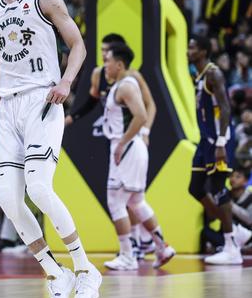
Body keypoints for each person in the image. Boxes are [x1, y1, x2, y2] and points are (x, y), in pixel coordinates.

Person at [0, 0, 101, 298]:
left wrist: (66, 81)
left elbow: (78, 45)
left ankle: (85, 269)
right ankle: (55, 273)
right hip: (7, 106)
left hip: (42, 100)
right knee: (8, 198)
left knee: (39, 189)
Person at [65, 33, 158, 258]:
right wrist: (71, 118)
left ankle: (135, 244)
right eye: (102, 51)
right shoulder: (99, 73)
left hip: (129, 138)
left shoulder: (131, 78)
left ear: (118, 59)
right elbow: (91, 102)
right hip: (113, 136)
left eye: (107, 51)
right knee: (129, 198)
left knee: (124, 196)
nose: (104, 55)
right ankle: (150, 243)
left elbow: (149, 107)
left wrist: (145, 132)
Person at [100, 44, 176, 270]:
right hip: (133, 147)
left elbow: (141, 115)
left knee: (115, 202)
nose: (105, 65)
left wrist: (122, 143)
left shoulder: (125, 86)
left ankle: (127, 256)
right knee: (136, 201)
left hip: (127, 147)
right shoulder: (122, 85)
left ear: (119, 64)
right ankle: (162, 248)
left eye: (108, 61)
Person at [187, 36, 242, 264]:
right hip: (205, 141)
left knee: (219, 189)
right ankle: (236, 229)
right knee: (195, 188)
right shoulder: (198, 76)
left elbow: (226, 108)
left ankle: (231, 246)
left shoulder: (213, 73)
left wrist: (220, 142)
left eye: (192, 48)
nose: (188, 51)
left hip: (219, 140)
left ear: (203, 51)